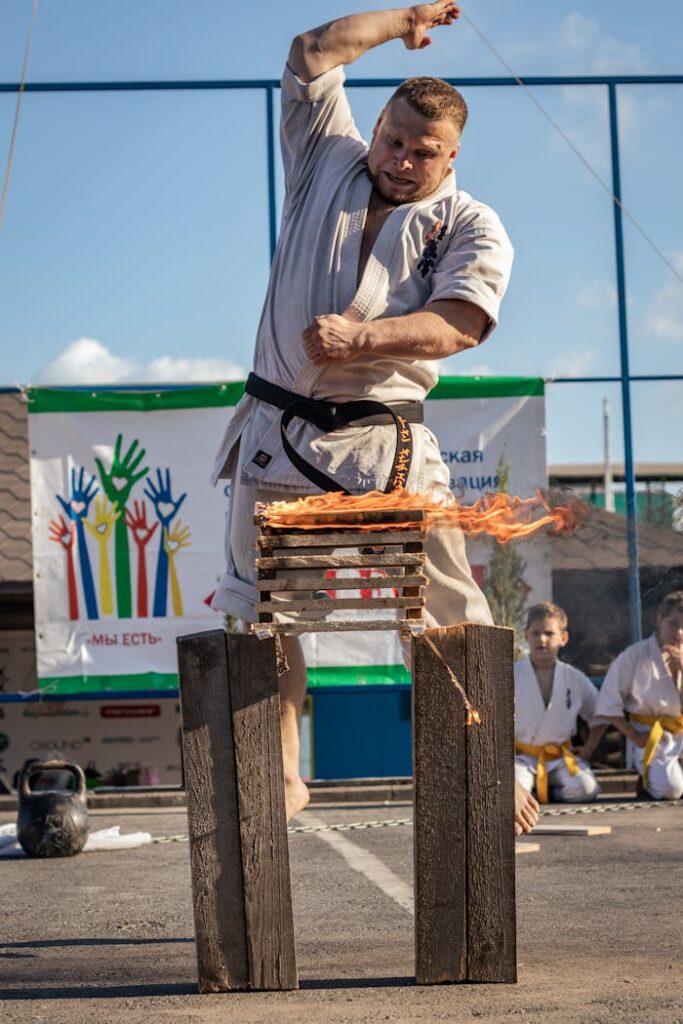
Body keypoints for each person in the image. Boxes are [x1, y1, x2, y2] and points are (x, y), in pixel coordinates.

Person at [211, 1, 538, 835]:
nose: (398, 159)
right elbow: (311, 50)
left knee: (444, 608)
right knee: (255, 614)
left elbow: (460, 322)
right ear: (378, 126)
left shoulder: (471, 223)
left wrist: (364, 337)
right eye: (391, 139)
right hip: (278, 433)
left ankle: (486, 759)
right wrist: (404, 20)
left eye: (421, 151)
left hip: (382, 438)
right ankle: (279, 772)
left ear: (452, 155)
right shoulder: (325, 157)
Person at [595, 591, 683, 800]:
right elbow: (608, 704)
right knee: (671, 789)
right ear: (660, 620)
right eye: (673, 624)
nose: (679, 632)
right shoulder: (634, 656)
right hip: (650, 734)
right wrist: (634, 735)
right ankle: (648, 779)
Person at [515, 602, 605, 804]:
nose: (542, 639)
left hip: (560, 757)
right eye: (536, 633)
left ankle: (550, 792)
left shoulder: (575, 678)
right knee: (511, 792)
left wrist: (588, 749)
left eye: (549, 633)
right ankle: (534, 791)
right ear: (526, 636)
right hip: (522, 757)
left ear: (563, 638)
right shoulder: (511, 674)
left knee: (586, 789)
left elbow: (599, 716)